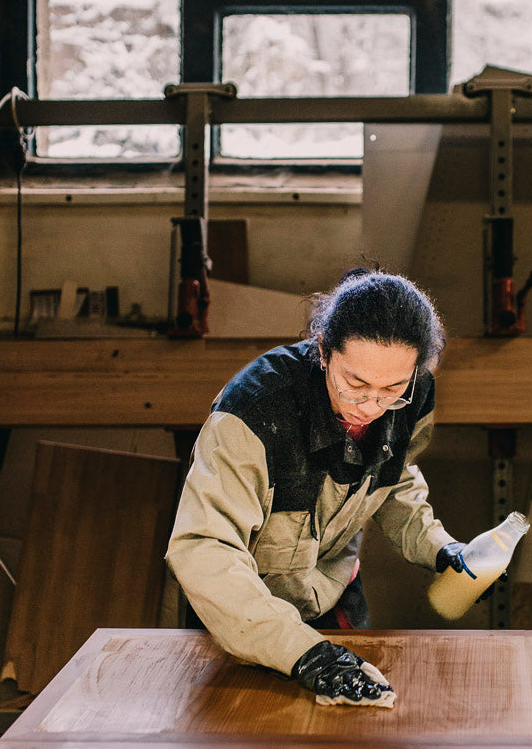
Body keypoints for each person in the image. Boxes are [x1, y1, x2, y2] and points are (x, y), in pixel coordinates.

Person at [166, 269, 471, 705]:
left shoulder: (415, 393)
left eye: (393, 389)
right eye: (356, 384)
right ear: (324, 350)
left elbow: (393, 477)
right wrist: (302, 653)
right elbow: (203, 547)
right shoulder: (252, 414)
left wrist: (440, 548)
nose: (372, 406)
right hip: (240, 614)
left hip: (332, 595)